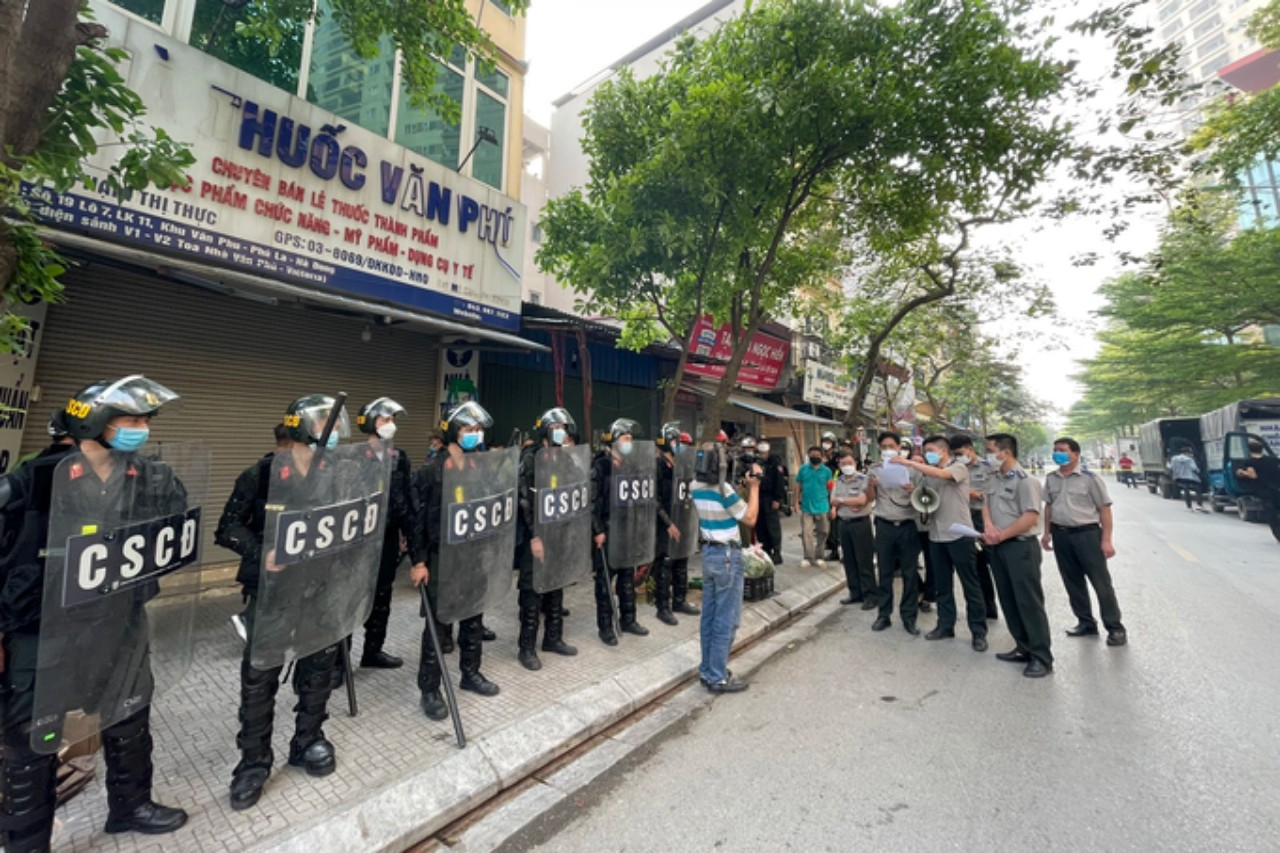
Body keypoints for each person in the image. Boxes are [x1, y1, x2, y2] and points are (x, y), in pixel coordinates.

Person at [0, 377, 191, 848]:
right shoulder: (33, 480)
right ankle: (27, 841)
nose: (141, 429)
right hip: (41, 629)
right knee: (32, 738)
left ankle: (131, 807)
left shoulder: (151, 478)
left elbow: (174, 529)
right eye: (131, 419)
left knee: (129, 716)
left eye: (145, 420)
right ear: (94, 423)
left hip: (117, 620)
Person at [217, 394, 355, 810]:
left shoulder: (338, 474)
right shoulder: (262, 474)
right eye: (324, 423)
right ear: (300, 427)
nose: (332, 432)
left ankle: (308, 739)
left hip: (322, 589)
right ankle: (253, 761)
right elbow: (228, 527)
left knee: (318, 668)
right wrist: (263, 553)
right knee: (260, 675)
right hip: (274, 592)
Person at [412, 402, 503, 721]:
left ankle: (470, 672)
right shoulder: (431, 470)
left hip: (472, 552)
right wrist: (419, 561)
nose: (475, 435)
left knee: (473, 616)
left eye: (478, 430)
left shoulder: (479, 465)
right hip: (441, 555)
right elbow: (418, 519)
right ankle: (430, 689)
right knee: (438, 624)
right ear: (452, 432)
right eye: (468, 429)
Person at [890, 434, 989, 651]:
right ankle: (945, 625)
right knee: (943, 585)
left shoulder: (958, 467)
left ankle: (978, 632)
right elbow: (925, 499)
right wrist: (914, 492)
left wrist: (908, 462)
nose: (928, 455)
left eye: (931, 451)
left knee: (971, 585)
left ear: (944, 451)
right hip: (936, 535)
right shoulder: (928, 475)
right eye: (926, 452)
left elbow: (942, 474)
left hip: (959, 534)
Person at [355, 398, 428, 670]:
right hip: (357, 542)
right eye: (385, 420)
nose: (391, 425)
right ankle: (338, 664)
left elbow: (408, 504)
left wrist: (417, 555)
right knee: (350, 599)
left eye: (393, 420)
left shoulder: (399, 458)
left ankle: (372, 652)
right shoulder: (352, 457)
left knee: (382, 598)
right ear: (370, 423)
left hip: (387, 540)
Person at [513, 407, 581, 670]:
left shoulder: (564, 459)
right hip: (535, 536)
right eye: (556, 428)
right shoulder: (531, 459)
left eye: (563, 428)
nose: (561, 433)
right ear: (545, 430)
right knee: (532, 590)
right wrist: (535, 536)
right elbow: (524, 500)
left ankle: (553, 638)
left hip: (558, 534)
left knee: (556, 585)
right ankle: (526, 648)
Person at [692, 442, 762, 693]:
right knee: (727, 619)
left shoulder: (695, 486)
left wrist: (740, 485)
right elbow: (750, 518)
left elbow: (729, 504)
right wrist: (754, 488)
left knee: (709, 617)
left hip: (709, 555)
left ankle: (708, 669)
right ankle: (718, 676)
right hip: (727, 556)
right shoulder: (724, 490)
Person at [1043, 437, 1127, 647]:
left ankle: (1115, 627)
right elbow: (1049, 507)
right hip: (1061, 535)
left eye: (1062, 450)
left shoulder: (1090, 479)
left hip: (1087, 535)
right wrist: (1046, 533)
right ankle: (1086, 622)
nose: (1057, 454)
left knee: (1101, 583)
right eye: (1055, 450)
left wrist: (1106, 540)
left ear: (1075, 454)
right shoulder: (1051, 478)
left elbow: (1104, 509)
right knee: (1072, 582)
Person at [981, 434, 1052, 678]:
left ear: (1006, 452)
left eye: (990, 450)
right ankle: (1023, 646)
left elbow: (1030, 517)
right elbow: (986, 505)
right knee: (1008, 599)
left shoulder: (1026, 481)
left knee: (1028, 601)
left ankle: (1041, 657)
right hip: (998, 547)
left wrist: (1001, 535)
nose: (987, 455)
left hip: (1020, 547)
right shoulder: (994, 478)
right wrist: (988, 526)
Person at [590, 418, 651, 645]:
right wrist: (597, 530)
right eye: (626, 438)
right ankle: (605, 627)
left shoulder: (631, 466)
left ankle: (629, 619)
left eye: (631, 439)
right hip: (607, 531)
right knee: (605, 582)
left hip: (627, 530)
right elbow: (592, 502)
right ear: (615, 440)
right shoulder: (601, 466)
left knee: (627, 578)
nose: (629, 443)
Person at [867, 432, 921, 634]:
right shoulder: (874, 469)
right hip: (884, 525)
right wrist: (871, 486)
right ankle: (884, 615)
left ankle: (909, 617)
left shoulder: (912, 469)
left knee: (909, 573)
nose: (888, 450)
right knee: (885, 572)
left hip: (907, 524)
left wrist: (913, 490)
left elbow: (923, 498)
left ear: (899, 447)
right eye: (884, 446)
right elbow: (869, 498)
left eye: (892, 446)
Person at [653, 423, 700, 626]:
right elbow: (654, 500)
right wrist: (668, 523)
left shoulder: (683, 465)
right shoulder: (657, 466)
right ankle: (662, 607)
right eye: (674, 441)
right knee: (665, 565)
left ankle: (679, 601)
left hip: (682, 520)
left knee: (682, 562)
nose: (678, 445)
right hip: (664, 523)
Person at [950, 434, 999, 621]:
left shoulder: (988, 467)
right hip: (964, 518)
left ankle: (1001, 607)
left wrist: (977, 495)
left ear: (970, 449)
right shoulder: (954, 468)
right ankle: (986, 608)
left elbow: (996, 495)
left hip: (983, 518)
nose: (958, 457)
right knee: (976, 566)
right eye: (955, 454)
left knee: (993, 562)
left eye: (960, 453)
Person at [830, 449, 877, 610]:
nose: (847, 466)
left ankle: (870, 595)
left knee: (864, 560)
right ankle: (855, 592)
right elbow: (833, 500)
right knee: (849, 560)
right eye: (843, 464)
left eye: (849, 463)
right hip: (844, 523)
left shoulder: (863, 479)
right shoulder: (838, 480)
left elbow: (863, 500)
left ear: (855, 463)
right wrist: (850, 501)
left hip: (860, 524)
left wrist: (843, 501)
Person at [907, 442, 936, 613]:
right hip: (911, 525)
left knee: (932, 563)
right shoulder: (905, 478)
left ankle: (928, 596)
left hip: (929, 527)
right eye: (914, 462)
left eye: (920, 462)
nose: (917, 465)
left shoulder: (932, 478)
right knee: (907, 561)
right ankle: (918, 589)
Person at [795, 445, 833, 567]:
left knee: (823, 532)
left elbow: (831, 489)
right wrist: (795, 502)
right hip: (806, 506)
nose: (815, 457)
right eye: (812, 455)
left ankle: (819, 556)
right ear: (808, 456)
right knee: (806, 533)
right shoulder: (803, 469)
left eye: (817, 455)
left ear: (822, 456)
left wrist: (833, 506)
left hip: (823, 506)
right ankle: (808, 557)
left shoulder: (827, 471)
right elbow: (798, 485)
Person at [755, 437, 787, 565]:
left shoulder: (774, 462)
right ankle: (766, 551)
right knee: (760, 526)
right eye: (760, 444)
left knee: (772, 526)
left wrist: (777, 499)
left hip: (770, 498)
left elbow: (779, 481)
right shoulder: (755, 461)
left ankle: (777, 552)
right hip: (758, 497)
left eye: (765, 444)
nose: (762, 446)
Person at [821, 431, 842, 561]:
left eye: (828, 442)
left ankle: (836, 549)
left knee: (835, 524)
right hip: (825, 495)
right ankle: (831, 545)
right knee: (829, 523)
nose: (826, 444)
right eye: (825, 442)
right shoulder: (821, 457)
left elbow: (836, 474)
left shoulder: (836, 459)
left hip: (838, 494)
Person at [1170, 444, 1208, 513]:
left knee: (1186, 491)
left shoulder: (1174, 459)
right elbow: (1194, 468)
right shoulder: (1189, 459)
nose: (1191, 454)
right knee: (1198, 489)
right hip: (1191, 477)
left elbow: (1171, 467)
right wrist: (1198, 471)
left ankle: (1189, 507)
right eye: (1190, 452)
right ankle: (1199, 505)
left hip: (1180, 477)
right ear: (1186, 452)